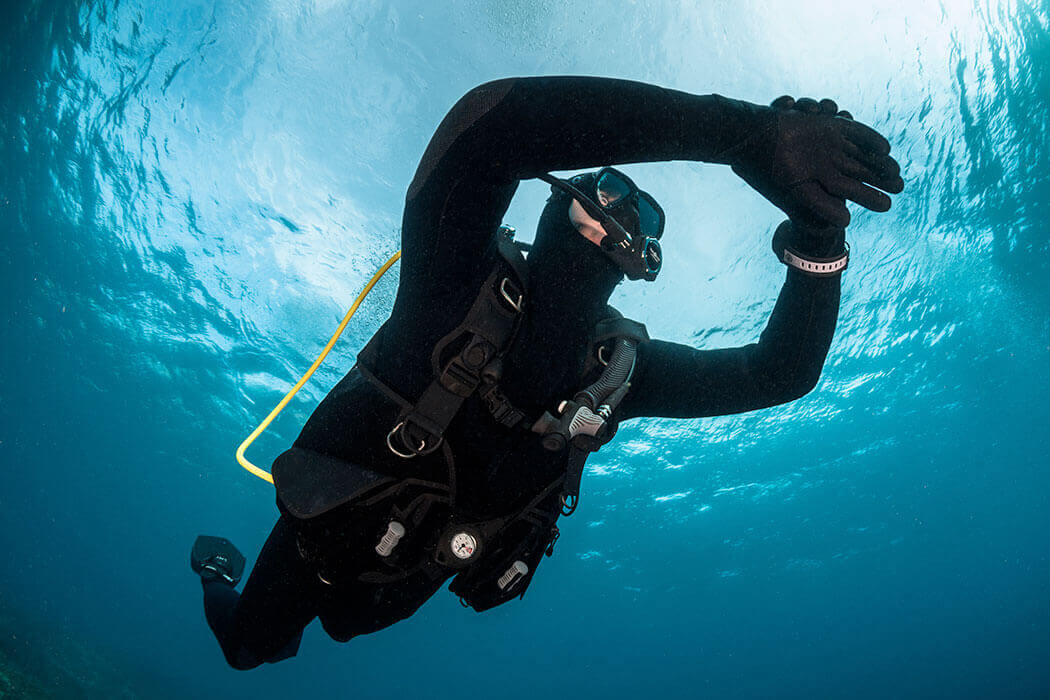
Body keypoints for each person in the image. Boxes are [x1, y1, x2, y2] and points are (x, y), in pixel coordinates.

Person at [190, 76, 903, 669]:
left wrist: (819, 239)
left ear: (642, 264)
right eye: (603, 190)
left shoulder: (619, 375)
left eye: (640, 219)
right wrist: (742, 134)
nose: (618, 213)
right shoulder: (452, 283)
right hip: (315, 544)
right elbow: (489, 129)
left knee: (342, 627)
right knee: (251, 648)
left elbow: (778, 372)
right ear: (554, 197)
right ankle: (219, 580)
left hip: (396, 592)